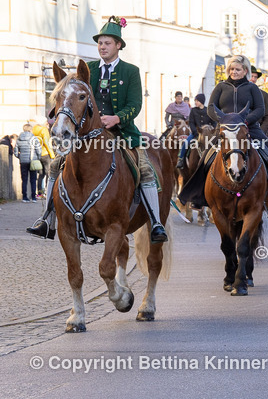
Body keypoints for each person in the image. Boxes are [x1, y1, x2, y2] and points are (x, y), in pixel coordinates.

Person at [27, 16, 168, 241]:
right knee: (56, 165)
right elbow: (69, 95)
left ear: (118, 45)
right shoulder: (88, 68)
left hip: (122, 133)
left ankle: (156, 224)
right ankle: (47, 219)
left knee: (146, 169)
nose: (102, 47)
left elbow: (135, 104)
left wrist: (116, 118)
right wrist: (57, 116)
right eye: (100, 43)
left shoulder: (130, 71)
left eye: (107, 43)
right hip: (87, 134)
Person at [202, 54, 268, 199]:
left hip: (249, 129)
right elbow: (210, 108)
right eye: (232, 69)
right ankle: (201, 196)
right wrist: (225, 121)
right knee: (203, 158)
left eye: (238, 69)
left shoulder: (252, 88)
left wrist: (244, 121)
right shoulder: (220, 87)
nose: (234, 72)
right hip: (224, 131)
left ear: (245, 70)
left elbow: (260, 110)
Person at [175, 93, 213, 170]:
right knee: (186, 143)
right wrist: (195, 131)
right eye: (195, 101)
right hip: (196, 132)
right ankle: (181, 159)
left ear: (201, 101)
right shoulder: (193, 110)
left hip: (207, 133)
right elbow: (191, 122)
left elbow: (213, 122)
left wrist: (212, 130)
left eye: (197, 101)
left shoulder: (208, 110)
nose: (195, 102)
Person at [15, 123, 41, 203]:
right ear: (30, 129)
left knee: (24, 179)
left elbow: (15, 152)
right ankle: (33, 197)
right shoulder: (34, 138)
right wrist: (37, 158)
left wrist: (20, 157)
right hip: (33, 160)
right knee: (33, 179)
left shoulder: (19, 139)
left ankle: (24, 197)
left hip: (23, 161)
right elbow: (39, 150)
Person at [32, 120, 54, 198]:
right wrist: (52, 155)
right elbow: (47, 142)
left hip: (38, 154)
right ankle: (48, 193)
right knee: (49, 174)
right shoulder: (44, 130)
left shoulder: (34, 129)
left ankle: (39, 193)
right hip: (45, 154)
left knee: (41, 175)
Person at [250, 67, 268, 134]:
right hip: (240, 132)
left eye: (255, 77)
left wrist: (261, 132)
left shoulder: (263, 95)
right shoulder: (238, 91)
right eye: (251, 76)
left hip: (257, 131)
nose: (253, 79)